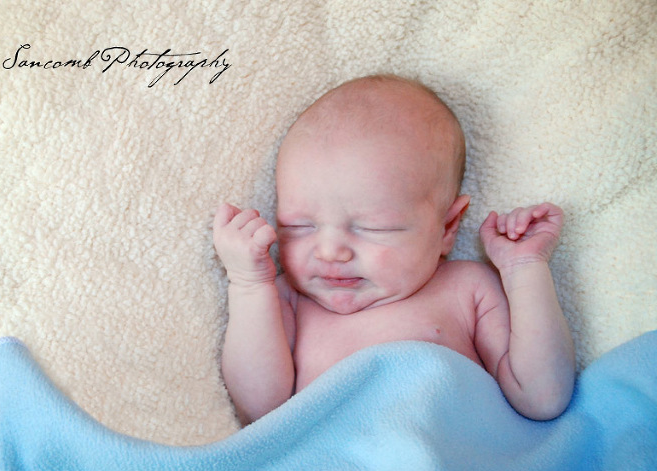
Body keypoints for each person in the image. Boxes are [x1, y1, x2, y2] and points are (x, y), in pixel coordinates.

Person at [213, 75, 575, 425]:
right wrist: (248, 284)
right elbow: (260, 413)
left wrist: (525, 269)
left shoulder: (468, 288)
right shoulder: (287, 301)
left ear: (448, 226)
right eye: (298, 226)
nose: (330, 252)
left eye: (374, 228)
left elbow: (543, 397)